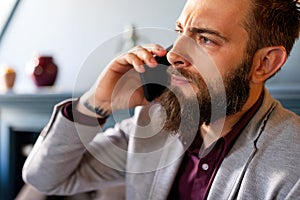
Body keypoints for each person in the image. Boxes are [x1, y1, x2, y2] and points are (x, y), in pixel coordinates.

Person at [22, 0, 300, 199]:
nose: (173, 54)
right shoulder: (154, 121)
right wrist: (96, 103)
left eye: (205, 39)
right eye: (180, 32)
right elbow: (44, 178)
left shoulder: (293, 169)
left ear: (264, 63)